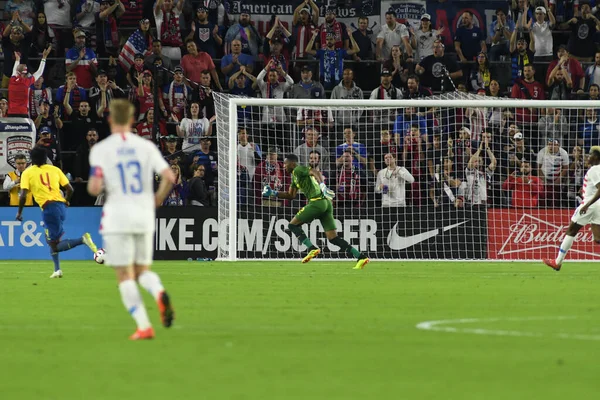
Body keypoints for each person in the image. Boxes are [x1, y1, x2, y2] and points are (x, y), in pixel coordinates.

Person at [87, 99, 176, 340]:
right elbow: (170, 176)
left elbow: (94, 188)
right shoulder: (145, 147)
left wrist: (103, 182)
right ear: (132, 119)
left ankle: (144, 326)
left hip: (117, 217)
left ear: (109, 119)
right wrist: (156, 200)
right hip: (143, 215)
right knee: (142, 270)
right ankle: (158, 292)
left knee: (124, 275)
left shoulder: (101, 149)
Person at [262, 153, 370, 270]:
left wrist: (322, 185)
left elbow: (315, 172)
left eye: (285, 163)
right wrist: (273, 193)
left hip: (316, 202)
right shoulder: (295, 176)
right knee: (333, 238)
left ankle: (311, 248)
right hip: (326, 204)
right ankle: (360, 257)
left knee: (292, 225)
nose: (283, 166)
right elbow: (291, 195)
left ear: (292, 163)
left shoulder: (298, 169)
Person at [16, 147, 98, 278]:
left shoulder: (28, 172)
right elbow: (70, 189)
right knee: (51, 239)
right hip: (60, 207)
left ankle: (83, 240)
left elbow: (23, 195)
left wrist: (19, 212)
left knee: (54, 245)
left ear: (32, 159)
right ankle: (57, 270)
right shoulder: (55, 169)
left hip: (49, 209)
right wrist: (66, 201)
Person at [543, 146, 600, 271]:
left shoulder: (594, 170)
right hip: (598, 206)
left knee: (571, 231)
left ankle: (557, 262)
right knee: (598, 239)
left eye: (590, 154)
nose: (587, 157)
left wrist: (587, 204)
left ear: (596, 157)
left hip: (589, 205)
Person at [7, 46, 51, 117]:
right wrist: (44, 58)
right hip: (22, 113)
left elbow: (15, 71)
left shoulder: (12, 80)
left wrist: (17, 59)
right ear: (25, 73)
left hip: (11, 113)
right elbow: (39, 72)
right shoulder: (26, 82)